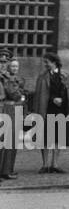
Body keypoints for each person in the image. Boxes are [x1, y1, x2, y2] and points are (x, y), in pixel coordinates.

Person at [32, 52, 69, 174]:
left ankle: (55, 164)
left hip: (61, 111)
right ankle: (45, 164)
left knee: (58, 138)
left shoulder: (65, 76)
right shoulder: (42, 77)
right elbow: (39, 96)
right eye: (44, 62)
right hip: (46, 110)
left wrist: (63, 100)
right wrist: (52, 99)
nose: (45, 64)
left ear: (54, 62)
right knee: (45, 138)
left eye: (47, 62)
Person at [0, 50, 27, 181]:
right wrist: (20, 96)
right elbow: (15, 94)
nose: (3, 64)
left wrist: (20, 97)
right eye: (1, 62)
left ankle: (6, 169)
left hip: (10, 109)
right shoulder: (5, 78)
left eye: (5, 62)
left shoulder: (7, 77)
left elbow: (18, 93)